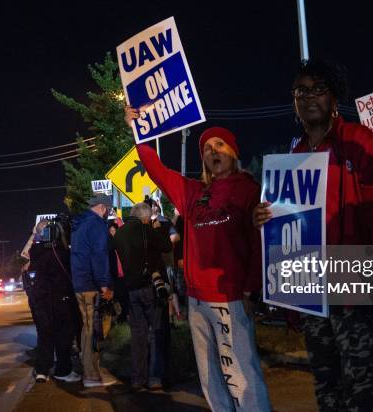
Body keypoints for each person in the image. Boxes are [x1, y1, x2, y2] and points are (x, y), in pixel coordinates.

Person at [254, 59, 373, 412]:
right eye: (301, 90)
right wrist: (264, 215)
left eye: (318, 89)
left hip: (353, 289)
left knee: (364, 389)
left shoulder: (359, 141)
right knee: (327, 385)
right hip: (311, 291)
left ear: (334, 99)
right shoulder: (295, 154)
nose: (309, 97)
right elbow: (287, 224)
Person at [125, 106, 271, 411]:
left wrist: (251, 288)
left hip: (230, 297)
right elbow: (158, 171)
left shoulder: (250, 189)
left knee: (240, 375)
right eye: (206, 148)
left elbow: (259, 241)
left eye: (219, 145)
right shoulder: (194, 193)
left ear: (233, 152)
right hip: (197, 300)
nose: (212, 151)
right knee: (210, 377)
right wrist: (138, 133)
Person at [112, 202, 173, 391]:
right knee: (155, 332)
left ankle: (138, 379)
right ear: (145, 217)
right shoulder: (147, 230)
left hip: (130, 289)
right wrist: (157, 228)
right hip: (150, 287)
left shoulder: (120, 233)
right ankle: (155, 378)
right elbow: (166, 246)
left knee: (138, 335)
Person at [28, 216, 81, 383]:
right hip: (61, 299)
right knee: (63, 336)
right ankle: (62, 370)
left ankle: (42, 370)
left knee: (44, 335)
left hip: (41, 300)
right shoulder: (61, 253)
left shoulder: (35, 252)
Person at [70, 193, 115, 388]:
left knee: (86, 326)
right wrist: (104, 284)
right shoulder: (97, 225)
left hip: (79, 283)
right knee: (93, 329)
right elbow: (99, 256)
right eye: (109, 211)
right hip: (91, 285)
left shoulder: (78, 224)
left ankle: (88, 369)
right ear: (103, 208)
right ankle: (91, 375)